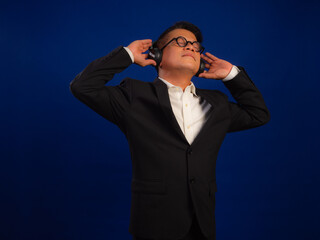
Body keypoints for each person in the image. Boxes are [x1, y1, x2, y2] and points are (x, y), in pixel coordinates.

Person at [70, 21, 270, 240]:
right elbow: (83, 87)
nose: (191, 48)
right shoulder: (133, 96)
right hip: (154, 224)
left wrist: (232, 74)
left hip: (202, 225)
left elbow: (258, 114)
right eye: (181, 42)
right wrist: (126, 55)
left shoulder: (218, 104)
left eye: (196, 46)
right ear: (157, 55)